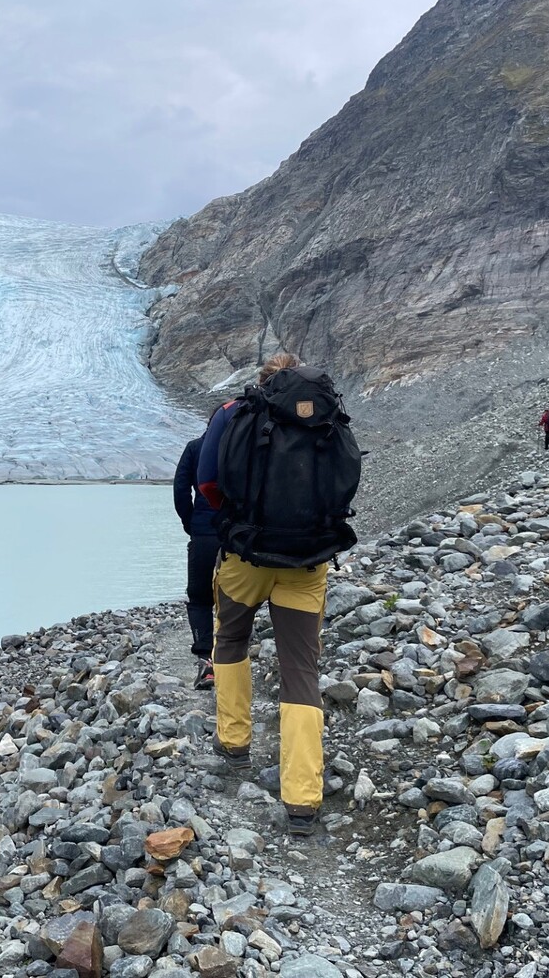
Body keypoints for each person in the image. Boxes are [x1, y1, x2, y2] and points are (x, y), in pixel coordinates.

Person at [196, 352, 360, 837]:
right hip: (306, 562)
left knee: (230, 641)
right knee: (301, 669)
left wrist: (239, 520)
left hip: (245, 556)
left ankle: (235, 743)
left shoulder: (233, 414)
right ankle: (302, 800)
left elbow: (207, 481)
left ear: (262, 381)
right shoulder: (327, 416)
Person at [173, 426, 217, 689]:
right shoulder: (246, 443)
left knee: (200, 599)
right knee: (234, 599)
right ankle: (233, 659)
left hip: (204, 533)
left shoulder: (195, 447)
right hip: (241, 535)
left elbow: (180, 490)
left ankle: (206, 661)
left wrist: (192, 524)